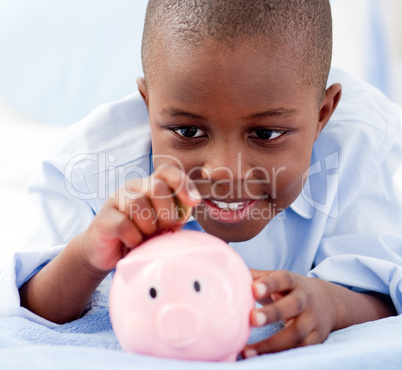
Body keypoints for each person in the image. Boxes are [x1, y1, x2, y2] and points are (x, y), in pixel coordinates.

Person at [1, 0, 402, 359]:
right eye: (188, 132)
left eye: (265, 134)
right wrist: (86, 257)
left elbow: (386, 293)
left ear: (321, 116)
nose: (224, 171)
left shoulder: (361, 147)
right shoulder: (89, 166)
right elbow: (31, 309)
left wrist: (332, 304)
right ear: (148, 106)